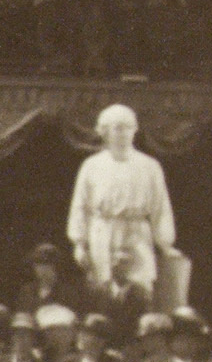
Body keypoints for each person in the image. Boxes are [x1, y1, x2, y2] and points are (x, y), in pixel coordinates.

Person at [63, 103, 180, 314]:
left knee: (139, 292)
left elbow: (160, 206)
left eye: (128, 127)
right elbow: (80, 206)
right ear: (104, 131)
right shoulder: (92, 165)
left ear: (135, 130)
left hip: (137, 235)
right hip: (102, 232)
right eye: (117, 127)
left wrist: (165, 243)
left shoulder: (149, 166)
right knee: (103, 293)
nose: (123, 133)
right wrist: (79, 243)